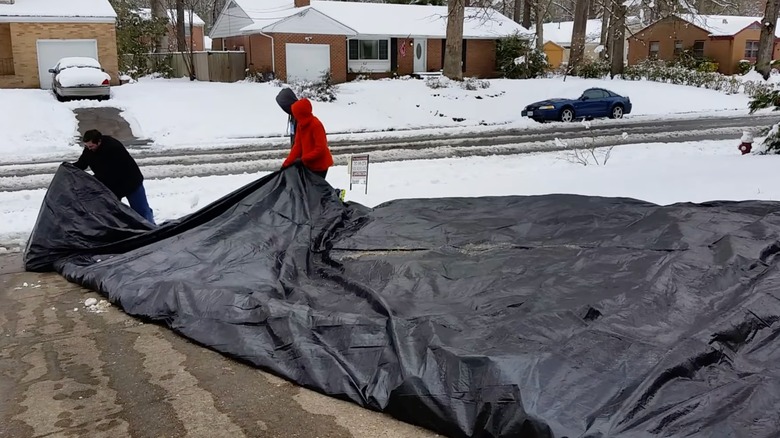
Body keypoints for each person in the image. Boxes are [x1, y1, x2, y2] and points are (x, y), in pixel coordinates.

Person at [73, 129, 156, 225]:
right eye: (86, 146)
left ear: (99, 141)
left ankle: (151, 229)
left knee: (141, 211)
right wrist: (69, 167)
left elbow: (110, 172)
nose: (89, 149)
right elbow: (82, 163)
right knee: (112, 214)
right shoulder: (89, 149)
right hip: (113, 186)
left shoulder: (113, 148)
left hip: (131, 182)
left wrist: (93, 180)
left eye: (91, 146)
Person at [281, 98, 334, 178]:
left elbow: (320, 148)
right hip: (308, 165)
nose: (295, 116)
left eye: (296, 114)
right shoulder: (300, 126)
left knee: (316, 189)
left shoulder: (316, 125)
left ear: (301, 114)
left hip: (320, 166)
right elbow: (297, 147)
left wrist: (303, 159)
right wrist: (286, 164)